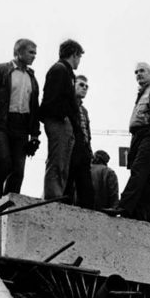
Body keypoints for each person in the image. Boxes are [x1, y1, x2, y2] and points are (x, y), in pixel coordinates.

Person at [0, 38, 41, 207]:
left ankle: (9, 201)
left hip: (22, 126)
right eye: (31, 52)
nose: (34, 56)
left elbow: (34, 108)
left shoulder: (32, 78)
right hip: (1, 123)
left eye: (35, 53)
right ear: (18, 52)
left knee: (18, 169)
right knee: (3, 161)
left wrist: (35, 134)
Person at [112, 62, 150, 224]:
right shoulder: (142, 93)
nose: (138, 74)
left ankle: (123, 206)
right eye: (136, 72)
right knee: (148, 177)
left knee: (139, 169)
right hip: (138, 136)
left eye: (142, 71)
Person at [40, 39, 83, 200]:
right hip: (58, 121)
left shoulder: (66, 72)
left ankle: (56, 194)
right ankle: (53, 195)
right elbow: (51, 98)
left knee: (63, 161)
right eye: (79, 57)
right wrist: (63, 116)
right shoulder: (59, 69)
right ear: (74, 54)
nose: (79, 61)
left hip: (63, 122)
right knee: (57, 160)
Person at [63, 75, 94, 208]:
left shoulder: (84, 110)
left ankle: (88, 209)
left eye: (86, 86)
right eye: (81, 85)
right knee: (68, 179)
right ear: (73, 85)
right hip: (71, 145)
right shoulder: (67, 104)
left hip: (84, 148)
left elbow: (87, 131)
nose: (84, 88)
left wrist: (89, 149)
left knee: (86, 183)